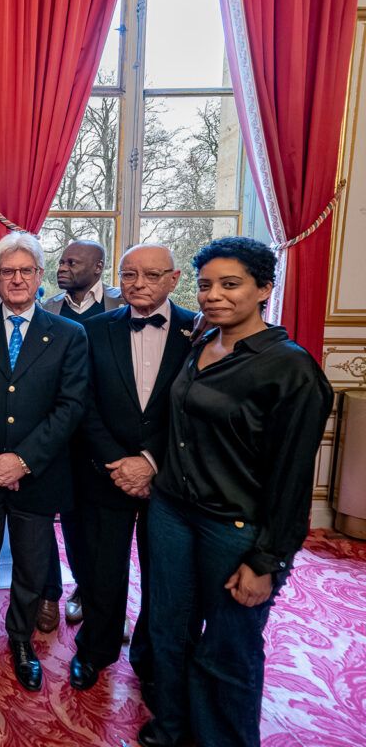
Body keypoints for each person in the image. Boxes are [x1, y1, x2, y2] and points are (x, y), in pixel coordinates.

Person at [138, 238, 332, 747]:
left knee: (229, 649)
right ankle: (171, 729)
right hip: (172, 513)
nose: (213, 296)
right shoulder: (202, 343)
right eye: (205, 285)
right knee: (168, 632)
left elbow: (293, 480)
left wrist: (268, 561)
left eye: (230, 284)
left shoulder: (291, 368)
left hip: (234, 528)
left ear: (265, 288)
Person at [0, 232, 88, 693]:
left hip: (39, 476)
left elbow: (70, 407)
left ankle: (21, 638)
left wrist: (22, 461)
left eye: (25, 271)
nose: (15, 279)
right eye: (6, 271)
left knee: (31, 566)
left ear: (40, 277)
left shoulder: (70, 334)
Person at [69, 245, 195, 695]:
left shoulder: (198, 332)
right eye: (128, 275)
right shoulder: (92, 329)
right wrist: (117, 462)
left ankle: (150, 656)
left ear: (174, 278)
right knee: (102, 570)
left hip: (170, 478)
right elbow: (81, 402)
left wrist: (149, 462)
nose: (138, 284)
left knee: (164, 575)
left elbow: (195, 412)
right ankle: (96, 649)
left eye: (151, 275)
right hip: (105, 472)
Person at [37, 240, 126, 633]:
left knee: (106, 533)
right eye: (62, 260)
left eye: (74, 261)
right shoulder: (48, 308)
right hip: (64, 438)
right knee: (70, 523)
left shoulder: (123, 302)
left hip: (109, 436)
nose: (64, 266)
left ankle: (105, 602)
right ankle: (81, 589)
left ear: (98, 267)